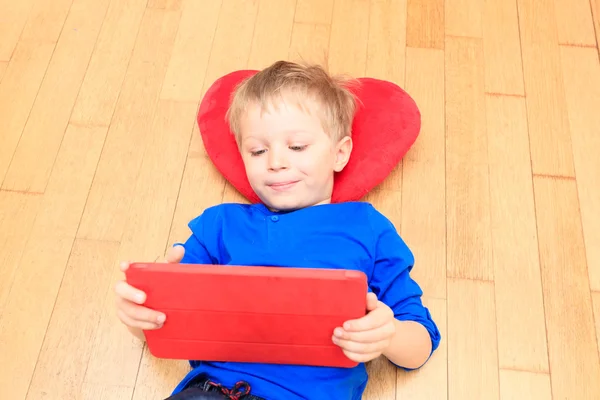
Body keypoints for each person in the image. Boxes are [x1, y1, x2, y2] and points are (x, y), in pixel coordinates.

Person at [114, 60, 441, 400]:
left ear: (340, 153)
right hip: (215, 392)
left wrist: (387, 334)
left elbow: (419, 346)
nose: (275, 162)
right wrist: (140, 314)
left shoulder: (367, 227)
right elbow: (161, 326)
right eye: (258, 150)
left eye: (297, 146)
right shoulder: (221, 225)